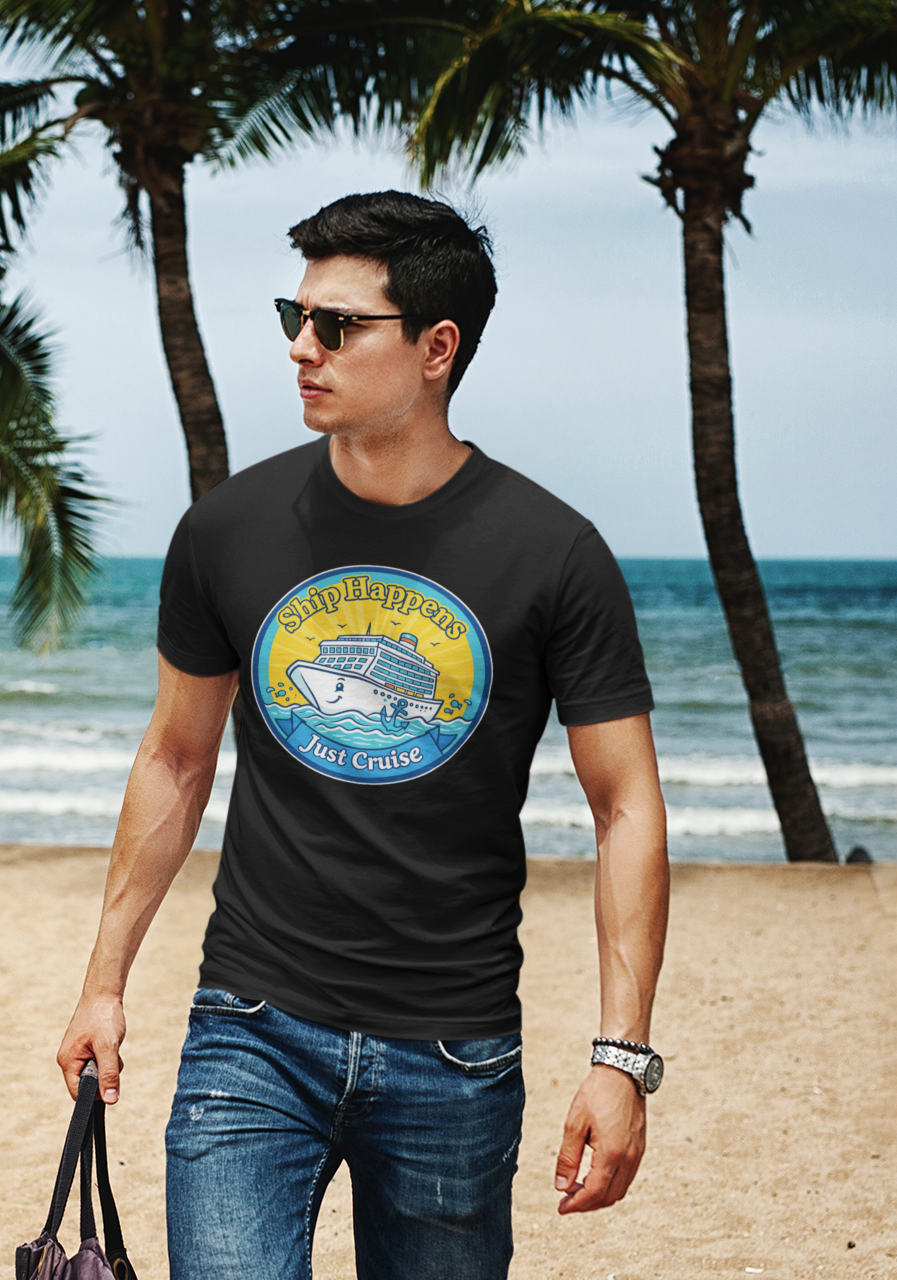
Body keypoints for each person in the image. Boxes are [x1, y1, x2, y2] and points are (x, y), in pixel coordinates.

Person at [57, 190, 669, 1280]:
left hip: (455, 1051)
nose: (302, 346)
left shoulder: (554, 553)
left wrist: (620, 1056)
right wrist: (103, 981)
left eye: (338, 325)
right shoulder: (226, 530)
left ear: (437, 346)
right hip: (249, 1029)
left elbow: (623, 803)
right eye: (295, 315)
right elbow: (176, 756)